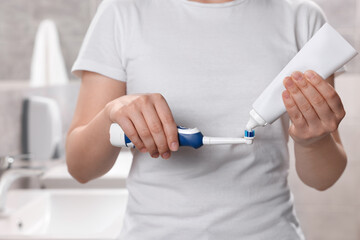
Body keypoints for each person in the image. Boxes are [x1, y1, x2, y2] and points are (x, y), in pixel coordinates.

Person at [66, 0, 347, 239]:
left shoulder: (301, 16)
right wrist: (112, 113)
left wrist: (314, 140)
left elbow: (323, 179)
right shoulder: (122, 11)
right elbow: (81, 168)